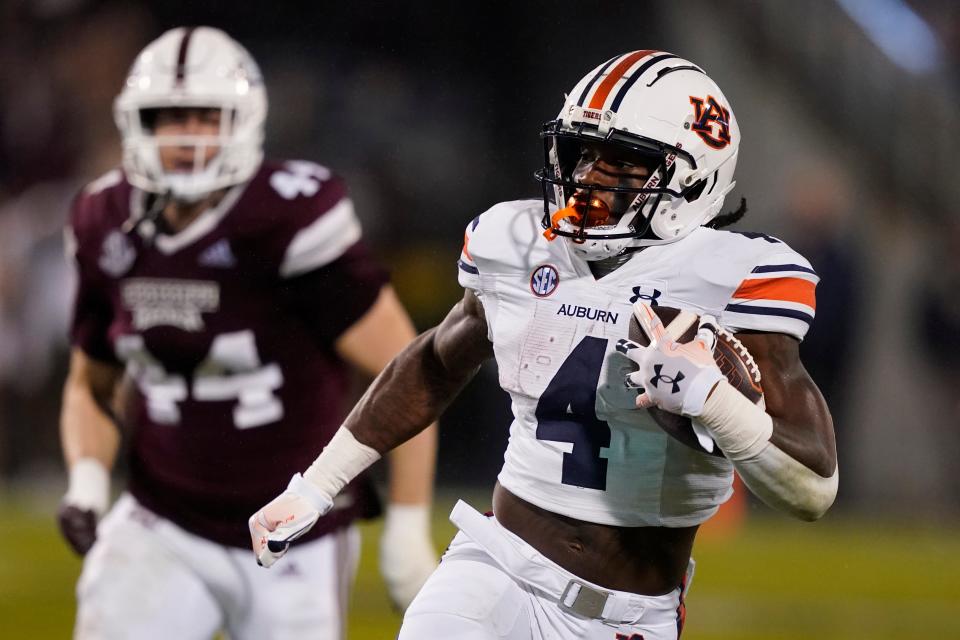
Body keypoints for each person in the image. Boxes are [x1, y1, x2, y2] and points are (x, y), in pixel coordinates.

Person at [250, 50, 838, 639]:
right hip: (496, 564)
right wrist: (317, 485)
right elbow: (433, 363)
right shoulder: (517, 241)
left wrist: (715, 401)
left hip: (633, 611)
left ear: (693, 180)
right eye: (585, 153)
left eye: (624, 162)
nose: (588, 178)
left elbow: (813, 488)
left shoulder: (735, 277)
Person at [58, 26, 438, 640]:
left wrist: (407, 523)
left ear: (244, 121)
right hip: (164, 519)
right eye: (169, 116)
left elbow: (410, 373)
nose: (186, 136)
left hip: (294, 526)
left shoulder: (289, 215)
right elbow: (90, 384)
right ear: (136, 124)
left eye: (206, 117)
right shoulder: (104, 219)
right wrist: (87, 481)